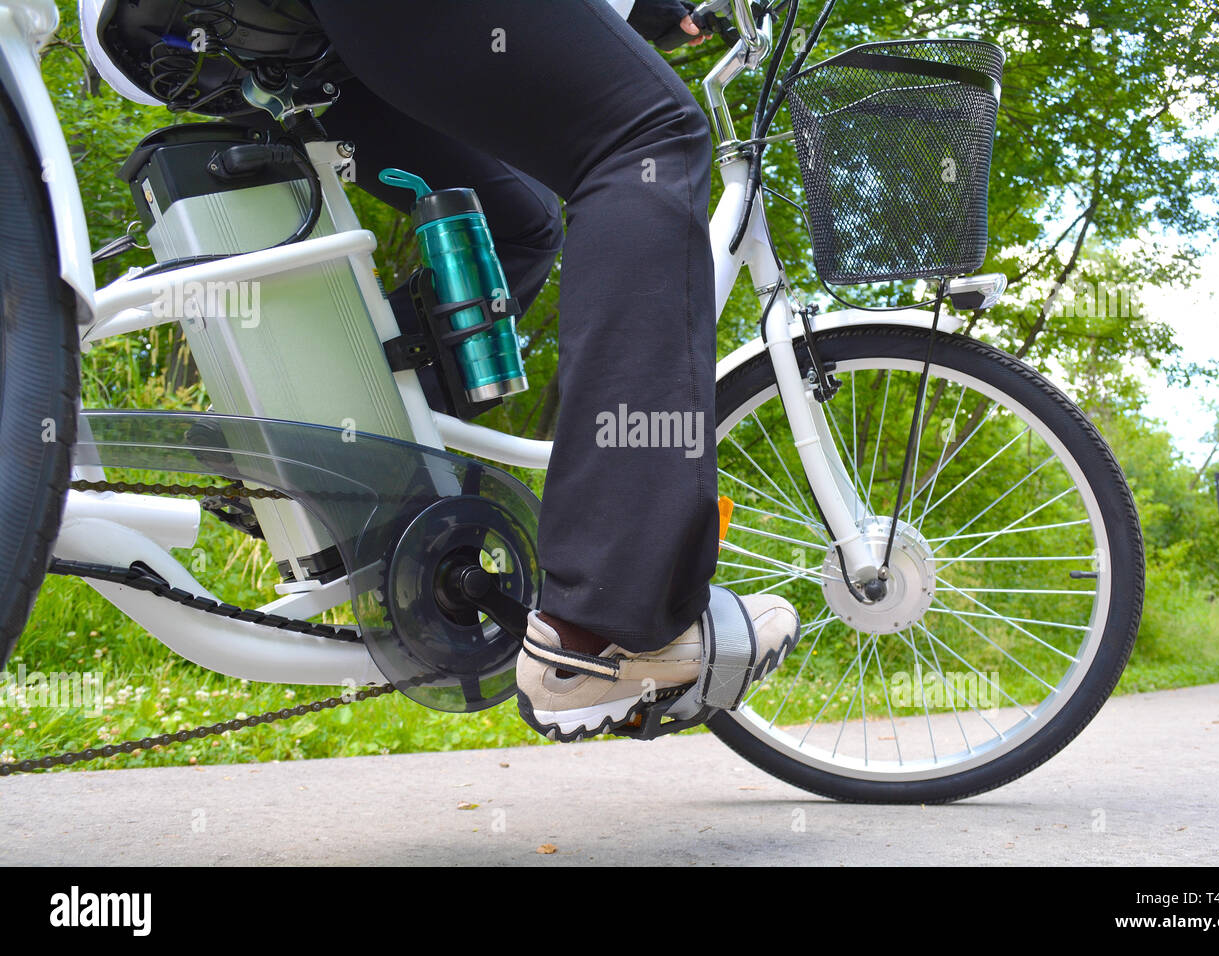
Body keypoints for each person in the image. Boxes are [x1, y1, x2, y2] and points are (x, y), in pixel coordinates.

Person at [82, 0, 800, 739]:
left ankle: (333, 465)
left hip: (193, 35)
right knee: (646, 137)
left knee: (513, 226)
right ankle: (608, 630)